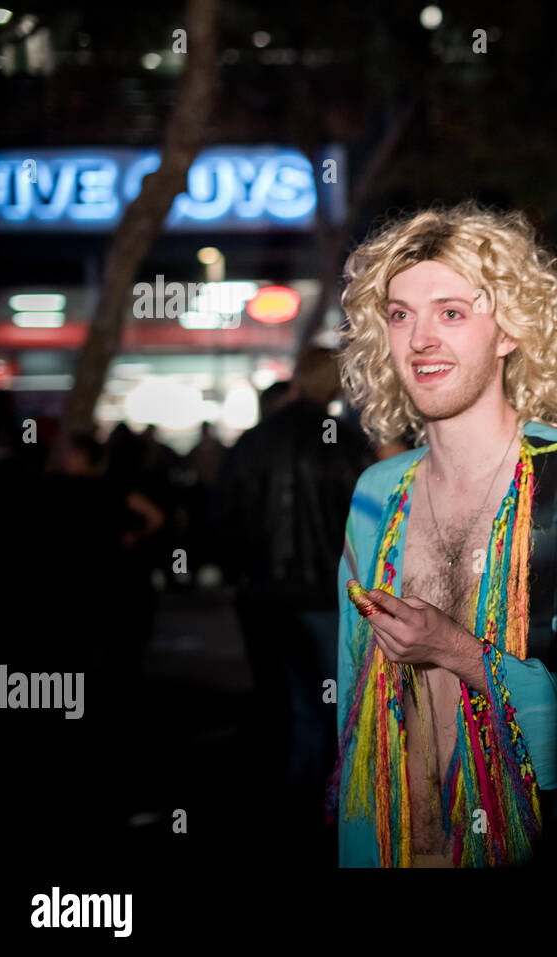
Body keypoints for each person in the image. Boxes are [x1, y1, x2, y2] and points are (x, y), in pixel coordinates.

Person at [328, 201, 557, 868]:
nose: (420, 338)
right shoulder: (376, 498)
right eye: (400, 315)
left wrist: (459, 651)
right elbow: (352, 711)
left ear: (509, 329)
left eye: (451, 312)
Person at [210, 348, 375, 864]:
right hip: (325, 595)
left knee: (284, 697)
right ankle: (334, 804)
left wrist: (240, 571)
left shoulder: (255, 441)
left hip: (262, 594)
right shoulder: (343, 443)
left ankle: (288, 801)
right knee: (338, 703)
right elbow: (367, 520)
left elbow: (221, 517)